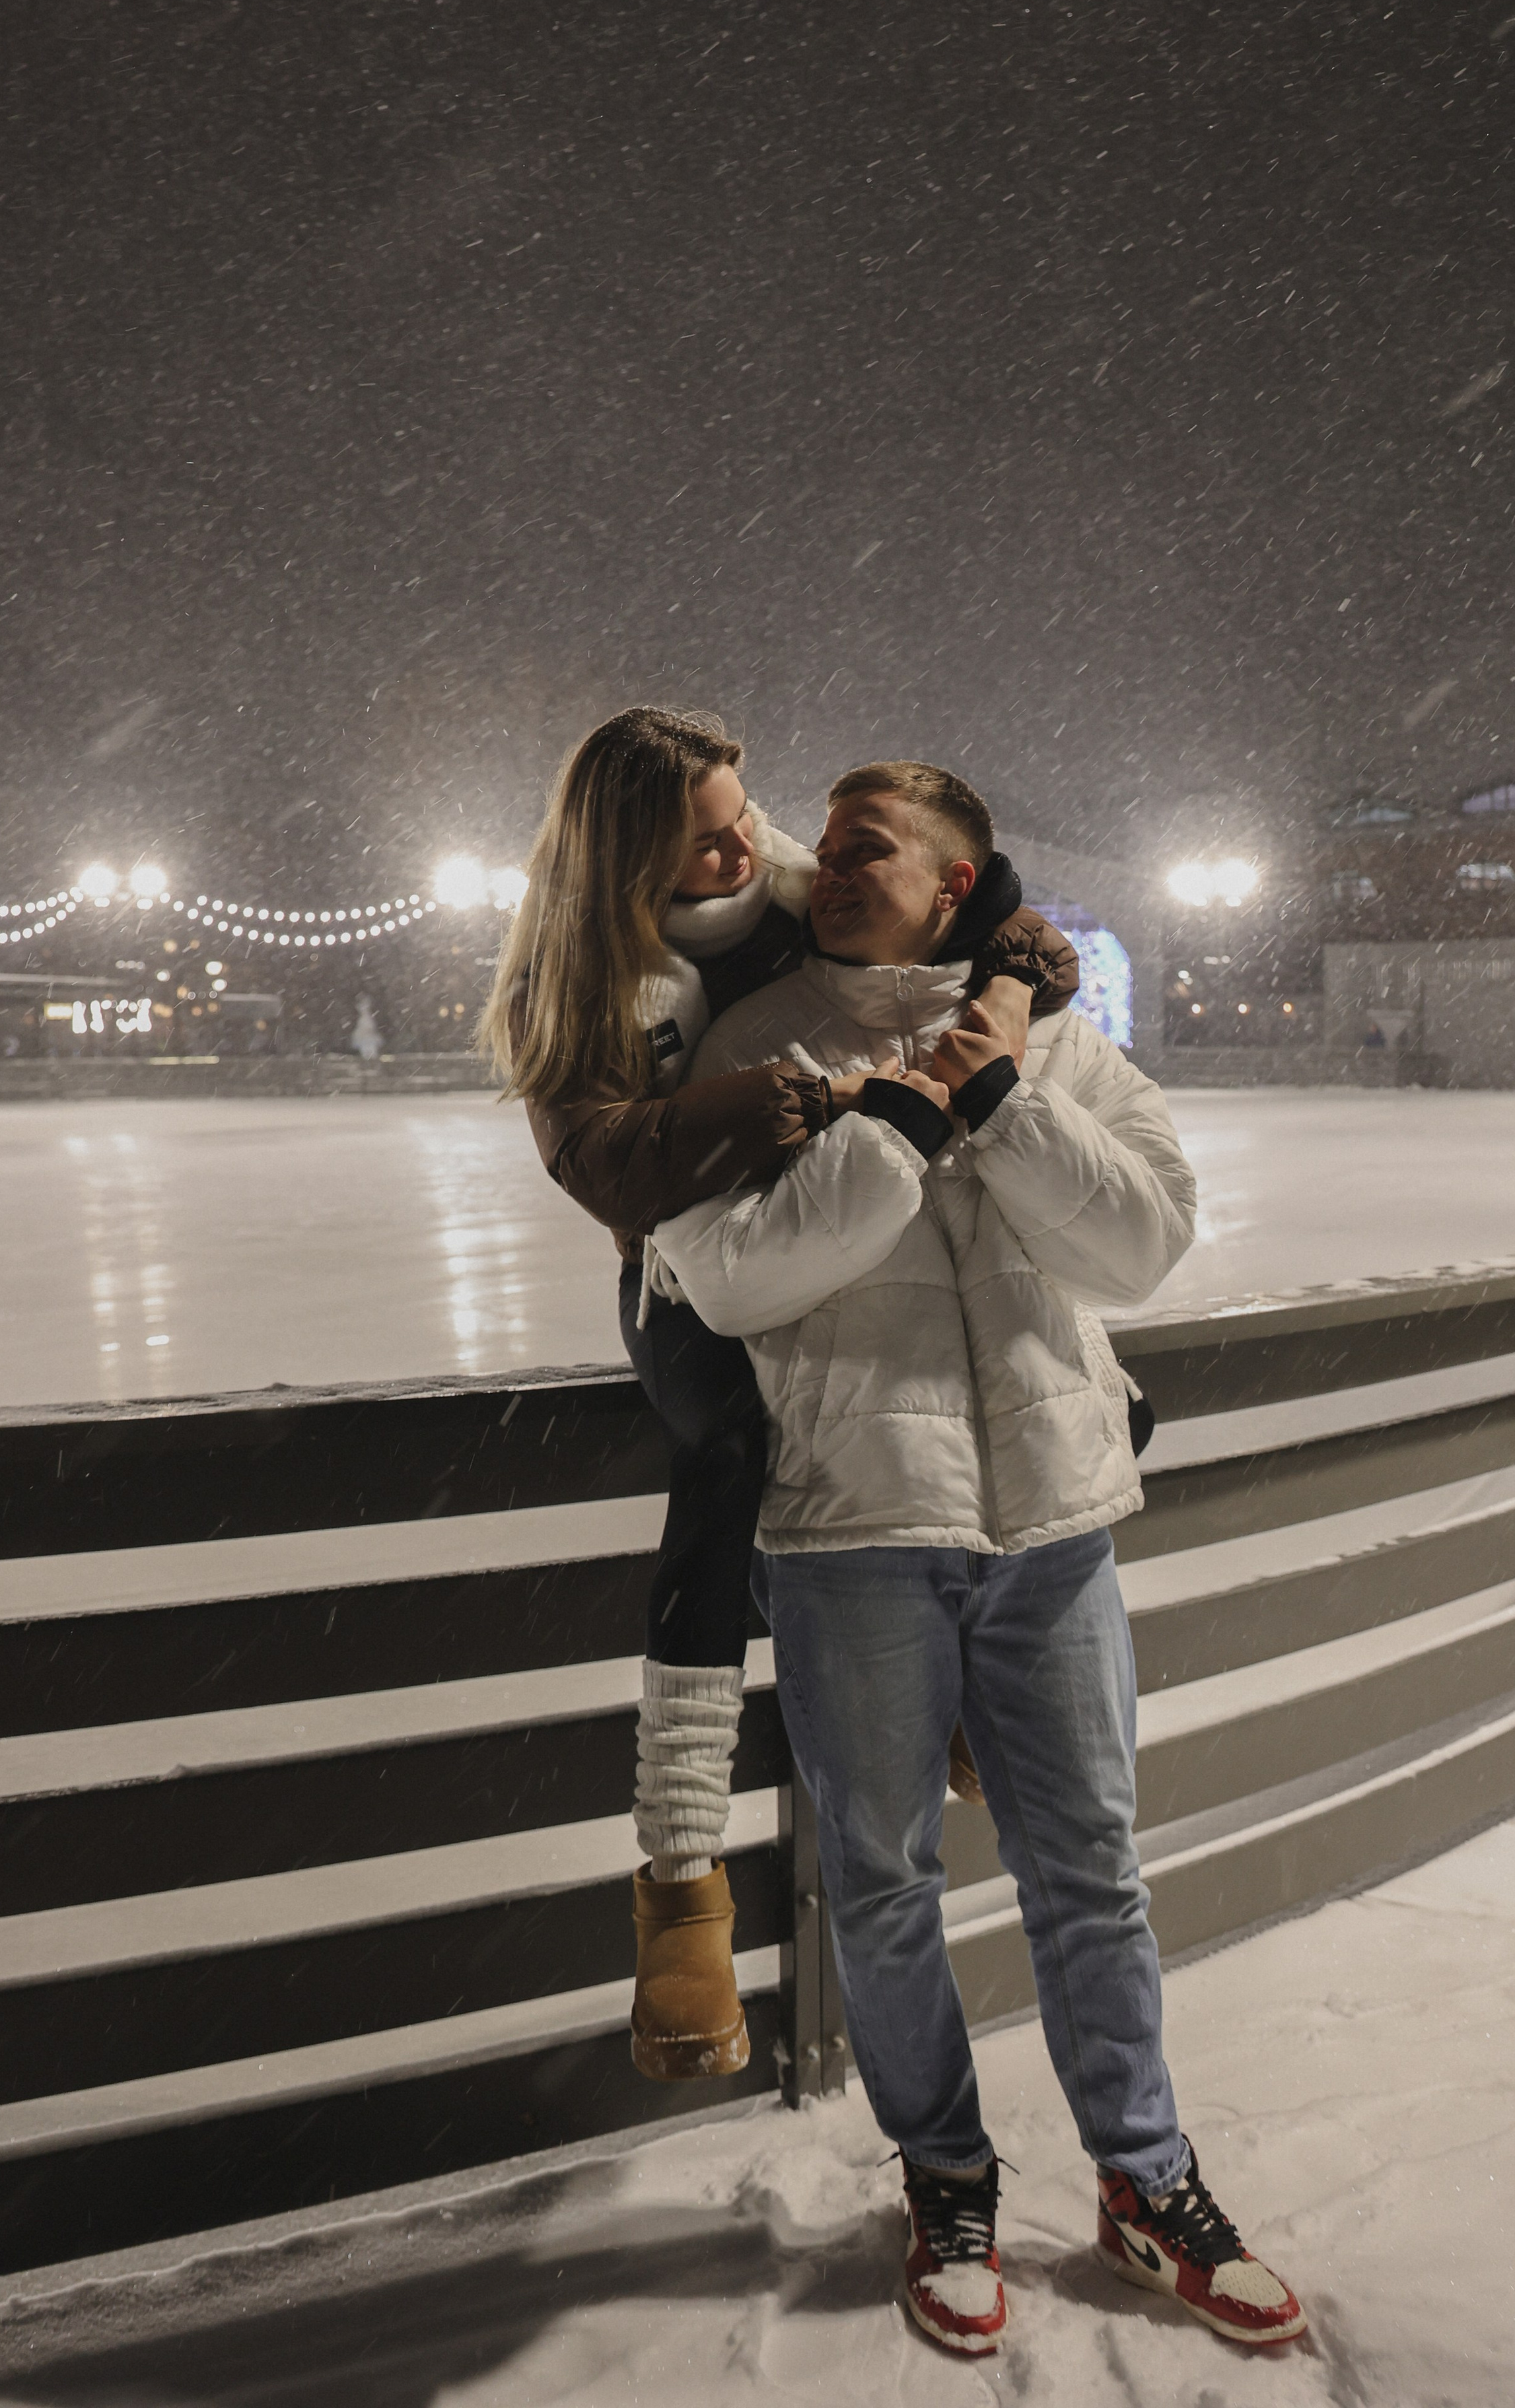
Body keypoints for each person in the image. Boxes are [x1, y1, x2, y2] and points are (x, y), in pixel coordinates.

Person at [649, 761, 1306, 2356]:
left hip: (1054, 1530)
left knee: (1090, 1873)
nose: (830, 862)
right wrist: (900, 1118)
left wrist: (1003, 1101)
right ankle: (944, 2174)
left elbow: (1141, 1247)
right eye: (835, 840)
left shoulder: (1068, 1044)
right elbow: (726, 1277)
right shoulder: (750, 1050)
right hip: (854, 1532)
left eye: (871, 847)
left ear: (957, 882)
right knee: (879, 1881)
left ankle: (1145, 2179)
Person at [480, 711, 1080, 2083]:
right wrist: (800, 1095)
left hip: (848, 1226)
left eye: (745, 812)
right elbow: (613, 1172)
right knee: (739, 1446)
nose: (746, 844)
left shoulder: (791, 876)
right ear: (628, 859)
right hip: (688, 1266)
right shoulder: (567, 983)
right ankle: (680, 1883)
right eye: (707, 833)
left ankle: (938, 1694)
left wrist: (1008, 961)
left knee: (1012, 1384)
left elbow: (967, 897)